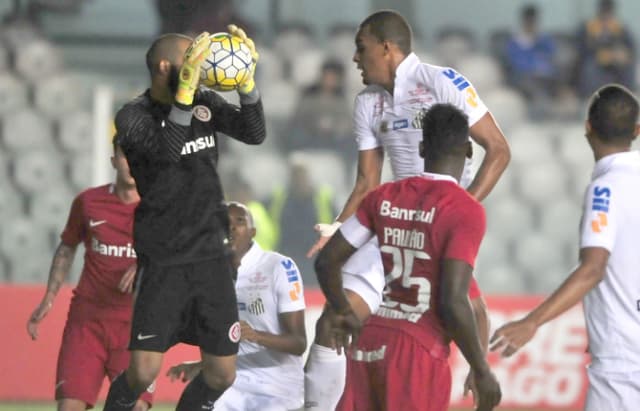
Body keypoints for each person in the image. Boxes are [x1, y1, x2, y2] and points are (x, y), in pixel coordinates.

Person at [304, 10, 507, 409]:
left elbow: (499, 149)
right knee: (331, 322)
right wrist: (340, 227)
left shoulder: (442, 82)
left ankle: (475, 380)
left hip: (436, 228)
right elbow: (366, 182)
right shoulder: (367, 103)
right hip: (391, 221)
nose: (355, 59)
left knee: (474, 313)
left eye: (361, 49)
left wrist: (454, 212)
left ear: (386, 47)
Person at [102, 26, 266, 411]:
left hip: (212, 254)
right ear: (164, 67)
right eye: (190, 57)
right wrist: (187, 94)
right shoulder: (131, 117)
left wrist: (247, 85)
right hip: (164, 259)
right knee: (142, 372)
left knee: (222, 374)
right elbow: (166, 157)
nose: (201, 62)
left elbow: (254, 132)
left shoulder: (202, 101)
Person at [315, 103, 501, 411]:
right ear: (469, 150)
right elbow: (453, 302)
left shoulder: (383, 196)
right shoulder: (464, 210)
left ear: (422, 146)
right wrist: (481, 369)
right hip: (417, 349)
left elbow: (327, 261)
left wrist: (344, 310)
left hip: (369, 337)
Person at [490, 84, 640, 411]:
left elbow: (593, 269)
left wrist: (532, 321)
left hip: (624, 367)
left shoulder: (607, 190)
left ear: (587, 127)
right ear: (637, 130)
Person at [26, 142, 152, 411]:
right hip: (87, 322)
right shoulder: (89, 202)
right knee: (68, 406)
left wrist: (146, 263)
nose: (133, 163)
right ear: (113, 160)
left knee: (134, 407)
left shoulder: (160, 211)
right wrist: (49, 296)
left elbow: (179, 258)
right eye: (126, 155)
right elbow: (67, 245)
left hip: (136, 324)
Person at [167, 201, 307, 410]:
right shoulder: (210, 275)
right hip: (233, 384)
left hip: (276, 388)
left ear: (252, 232)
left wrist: (257, 335)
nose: (231, 226)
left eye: (239, 221)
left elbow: (298, 343)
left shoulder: (278, 267)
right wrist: (201, 365)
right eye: (224, 222)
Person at [575, 0, 635, 98]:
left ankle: (627, 96)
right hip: (595, 61)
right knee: (589, 67)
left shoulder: (621, 29)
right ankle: (589, 97)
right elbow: (581, 49)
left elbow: (631, 49)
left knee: (628, 66)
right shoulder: (588, 28)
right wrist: (599, 53)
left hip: (615, 63)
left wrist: (624, 54)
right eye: (604, 15)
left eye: (608, 15)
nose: (606, 20)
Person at [504, 4, 556, 116]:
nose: (531, 24)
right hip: (522, 77)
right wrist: (534, 68)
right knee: (532, 85)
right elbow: (515, 64)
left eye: (533, 21)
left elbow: (551, 58)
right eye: (528, 21)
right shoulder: (515, 42)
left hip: (543, 77)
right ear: (523, 21)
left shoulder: (544, 40)